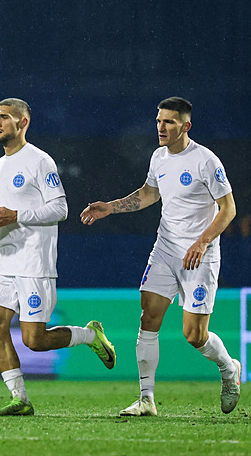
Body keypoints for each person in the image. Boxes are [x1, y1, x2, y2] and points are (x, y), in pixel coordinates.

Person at [81, 96, 240, 416]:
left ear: (186, 126)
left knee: (194, 335)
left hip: (199, 256)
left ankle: (228, 369)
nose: (161, 127)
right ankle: (146, 399)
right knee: (148, 316)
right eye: (158, 121)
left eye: (169, 122)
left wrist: (203, 241)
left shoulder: (206, 161)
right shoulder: (158, 157)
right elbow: (149, 193)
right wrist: (110, 207)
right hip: (165, 250)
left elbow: (228, 209)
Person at [0, 98, 116, 416]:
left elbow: (60, 209)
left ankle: (90, 335)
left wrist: (16, 215)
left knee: (34, 341)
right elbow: (2, 214)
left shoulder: (40, 161)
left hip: (34, 262)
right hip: (3, 259)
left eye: (4, 118)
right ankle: (20, 399)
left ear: (23, 123)